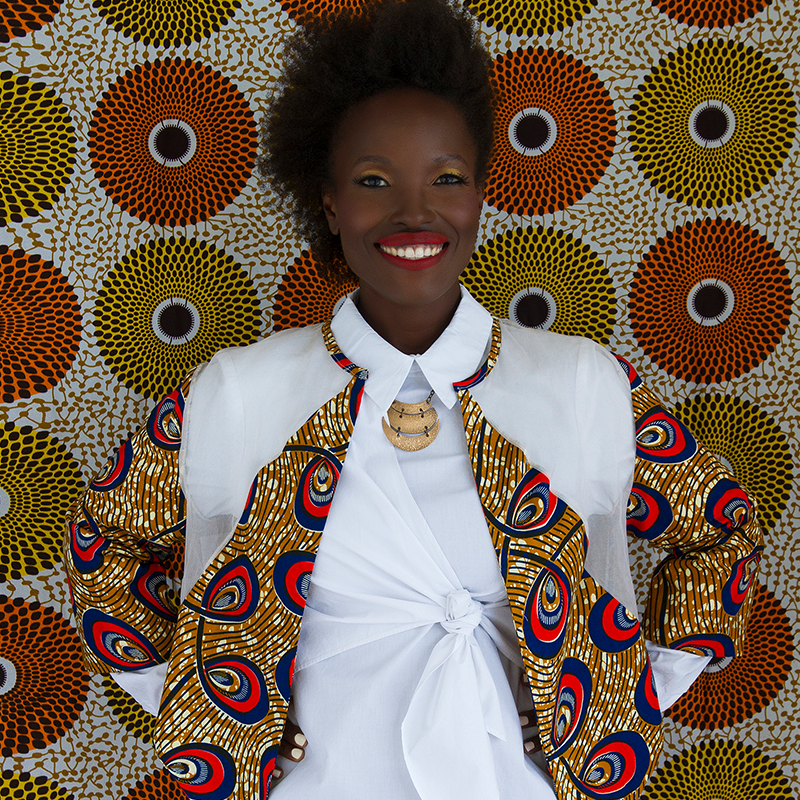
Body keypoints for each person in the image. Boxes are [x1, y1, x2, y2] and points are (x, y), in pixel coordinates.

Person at [63, 1, 763, 798]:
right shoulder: (238, 390)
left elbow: (717, 529)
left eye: (447, 178)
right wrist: (208, 718)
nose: (415, 213)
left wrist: (620, 703)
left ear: (479, 196)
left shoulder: (582, 383)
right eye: (373, 180)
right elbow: (105, 541)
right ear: (328, 202)